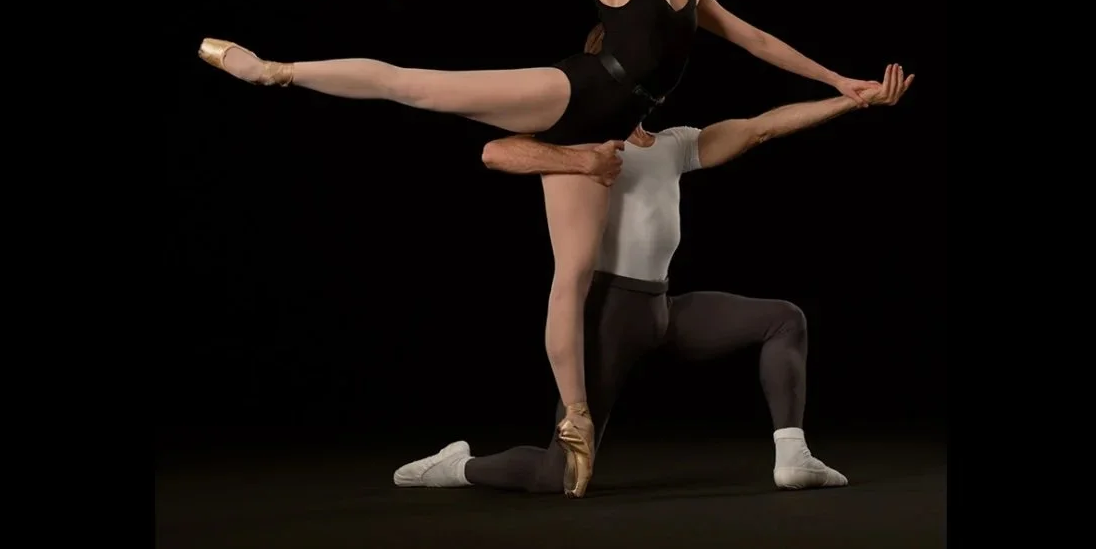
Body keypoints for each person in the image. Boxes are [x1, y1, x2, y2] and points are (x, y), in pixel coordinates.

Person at [198, 0, 876, 496]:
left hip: (607, 130)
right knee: (421, 86)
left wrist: (838, 80)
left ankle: (576, 421)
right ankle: (274, 70)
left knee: (575, 271)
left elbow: (759, 41)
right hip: (576, 94)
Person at [389, 51, 914, 496]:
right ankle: (455, 467)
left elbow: (760, 128)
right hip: (610, 317)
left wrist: (851, 100)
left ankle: (793, 457)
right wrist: (580, 163)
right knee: (562, 472)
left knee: (784, 320)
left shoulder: (675, 144)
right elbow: (497, 151)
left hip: (662, 309)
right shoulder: (576, 141)